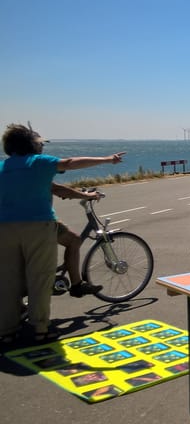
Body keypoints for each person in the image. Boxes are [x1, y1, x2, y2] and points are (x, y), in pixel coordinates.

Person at [0, 124, 124, 345]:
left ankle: (7, 332)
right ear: (31, 144)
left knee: (9, 280)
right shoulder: (39, 163)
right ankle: (40, 330)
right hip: (38, 226)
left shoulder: (4, 167)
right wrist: (107, 159)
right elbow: (69, 163)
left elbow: (55, 188)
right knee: (40, 277)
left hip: (5, 228)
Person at [50, 184, 103, 297]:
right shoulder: (35, 167)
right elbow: (56, 188)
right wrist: (86, 195)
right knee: (74, 241)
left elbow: (57, 188)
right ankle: (77, 285)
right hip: (37, 220)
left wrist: (76, 191)